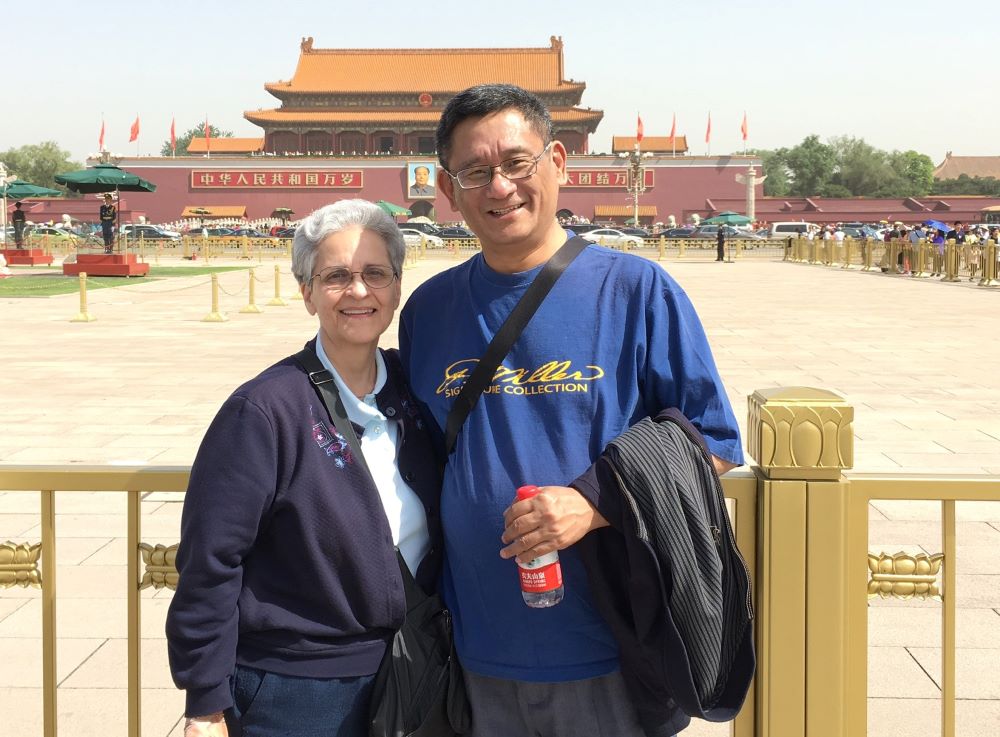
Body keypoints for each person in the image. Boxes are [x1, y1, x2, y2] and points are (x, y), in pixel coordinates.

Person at [399, 83, 744, 737]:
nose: (498, 187)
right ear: (449, 191)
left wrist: (595, 504)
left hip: (607, 649)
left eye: (516, 163)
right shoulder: (430, 309)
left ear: (558, 162)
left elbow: (717, 442)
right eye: (475, 171)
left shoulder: (635, 290)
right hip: (470, 646)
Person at [166, 199, 443, 737]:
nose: (358, 291)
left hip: (413, 667)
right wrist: (205, 700)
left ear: (396, 287)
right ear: (306, 292)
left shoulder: (416, 392)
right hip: (297, 689)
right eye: (336, 276)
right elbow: (210, 559)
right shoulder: (266, 410)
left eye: (375, 274)